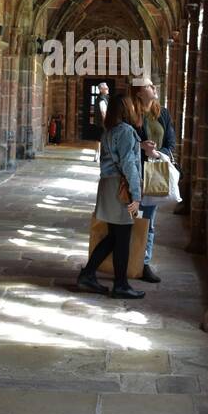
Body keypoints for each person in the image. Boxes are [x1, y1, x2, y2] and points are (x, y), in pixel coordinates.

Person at [77, 92, 146, 299]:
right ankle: (121, 285)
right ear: (127, 109)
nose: (136, 108)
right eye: (133, 105)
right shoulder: (125, 131)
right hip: (120, 187)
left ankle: (88, 274)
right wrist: (136, 194)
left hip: (109, 185)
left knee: (114, 237)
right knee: (122, 237)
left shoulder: (109, 130)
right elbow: (128, 164)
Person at [130, 78, 177, 283]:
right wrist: (141, 147)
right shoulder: (132, 115)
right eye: (149, 86)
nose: (154, 88)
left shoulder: (162, 113)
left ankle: (144, 262)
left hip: (155, 174)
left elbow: (171, 142)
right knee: (136, 218)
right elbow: (126, 142)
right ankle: (131, 259)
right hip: (137, 175)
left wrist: (157, 153)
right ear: (139, 92)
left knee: (148, 220)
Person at [93, 81, 109, 162]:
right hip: (102, 123)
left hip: (99, 123)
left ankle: (97, 155)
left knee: (99, 139)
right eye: (106, 88)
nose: (107, 89)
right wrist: (106, 122)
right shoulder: (102, 98)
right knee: (101, 139)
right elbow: (103, 111)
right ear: (101, 89)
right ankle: (99, 156)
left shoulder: (101, 97)